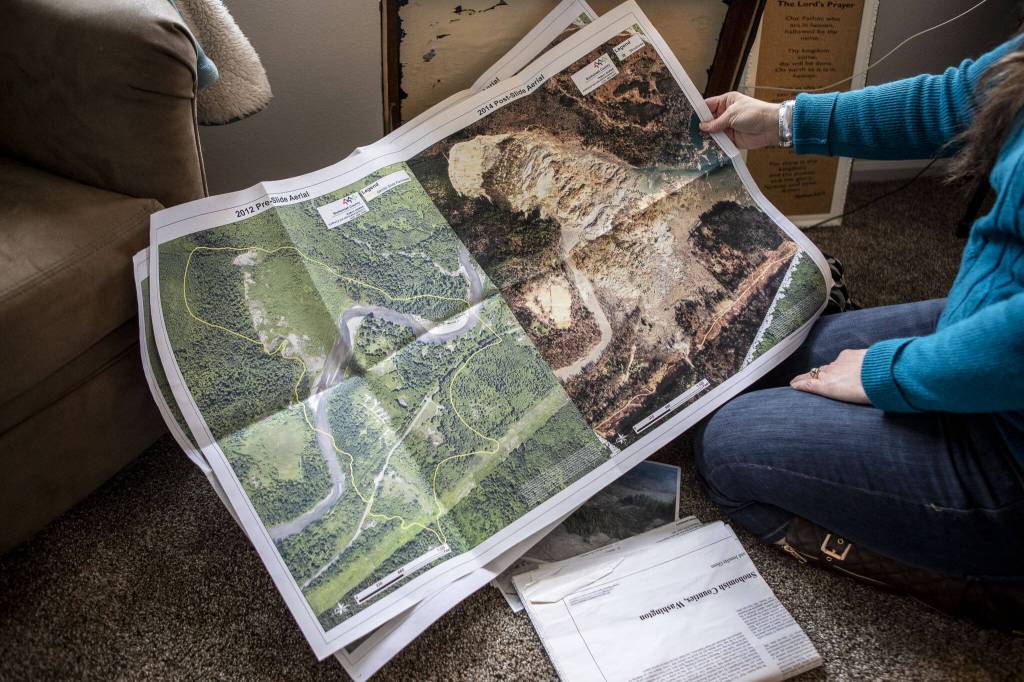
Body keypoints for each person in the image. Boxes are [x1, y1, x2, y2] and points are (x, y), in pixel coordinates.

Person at [694, 36, 1024, 630]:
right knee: (780, 352)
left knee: (726, 447)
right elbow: (960, 96)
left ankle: (990, 583)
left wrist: (891, 373)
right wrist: (782, 120)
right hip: (994, 328)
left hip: (1011, 460)